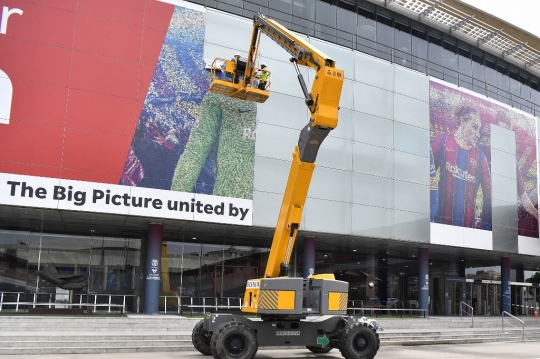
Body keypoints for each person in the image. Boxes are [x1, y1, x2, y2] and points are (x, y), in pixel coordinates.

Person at [170, 89, 257, 199]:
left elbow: (194, 154)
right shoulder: (221, 92)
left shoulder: (281, 107)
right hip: (232, 206)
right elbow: (194, 153)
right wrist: (175, 201)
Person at [431, 105, 492, 229]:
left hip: (468, 231)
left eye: (478, 130)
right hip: (439, 225)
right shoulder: (442, 141)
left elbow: (490, 196)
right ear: (462, 122)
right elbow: (428, 174)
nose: (477, 135)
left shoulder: (481, 158)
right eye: (474, 127)